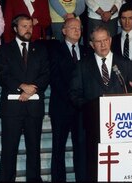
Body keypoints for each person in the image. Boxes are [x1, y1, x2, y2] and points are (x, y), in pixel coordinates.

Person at [70, 25, 132, 181]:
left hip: (119, 128)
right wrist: (92, 109)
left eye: (105, 40)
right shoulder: (82, 65)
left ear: (110, 40)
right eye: (98, 41)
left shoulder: (124, 63)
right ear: (91, 44)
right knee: (93, 169)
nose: (103, 45)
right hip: (92, 126)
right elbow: (74, 94)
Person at [0, 14, 49, 181]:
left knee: (33, 150)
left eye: (30, 26)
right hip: (12, 109)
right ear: (15, 29)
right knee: (9, 150)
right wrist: (22, 86)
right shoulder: (4, 49)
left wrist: (30, 91)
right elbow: (4, 75)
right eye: (24, 26)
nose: (28, 29)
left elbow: (46, 74)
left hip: (34, 108)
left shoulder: (40, 49)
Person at [49, 18, 87, 182]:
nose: (76, 31)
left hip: (81, 109)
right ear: (63, 31)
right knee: (58, 147)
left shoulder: (87, 51)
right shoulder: (54, 51)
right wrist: (73, 98)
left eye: (79, 28)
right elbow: (55, 78)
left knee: (81, 148)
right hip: (61, 106)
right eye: (72, 28)